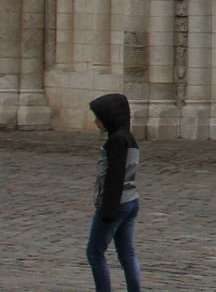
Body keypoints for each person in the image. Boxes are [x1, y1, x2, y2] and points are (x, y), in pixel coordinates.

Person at [86, 93, 143, 292]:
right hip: (130, 200)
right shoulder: (128, 138)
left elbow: (115, 175)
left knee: (94, 252)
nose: (96, 122)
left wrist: (107, 211)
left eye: (99, 118)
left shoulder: (116, 141)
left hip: (116, 203)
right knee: (127, 253)